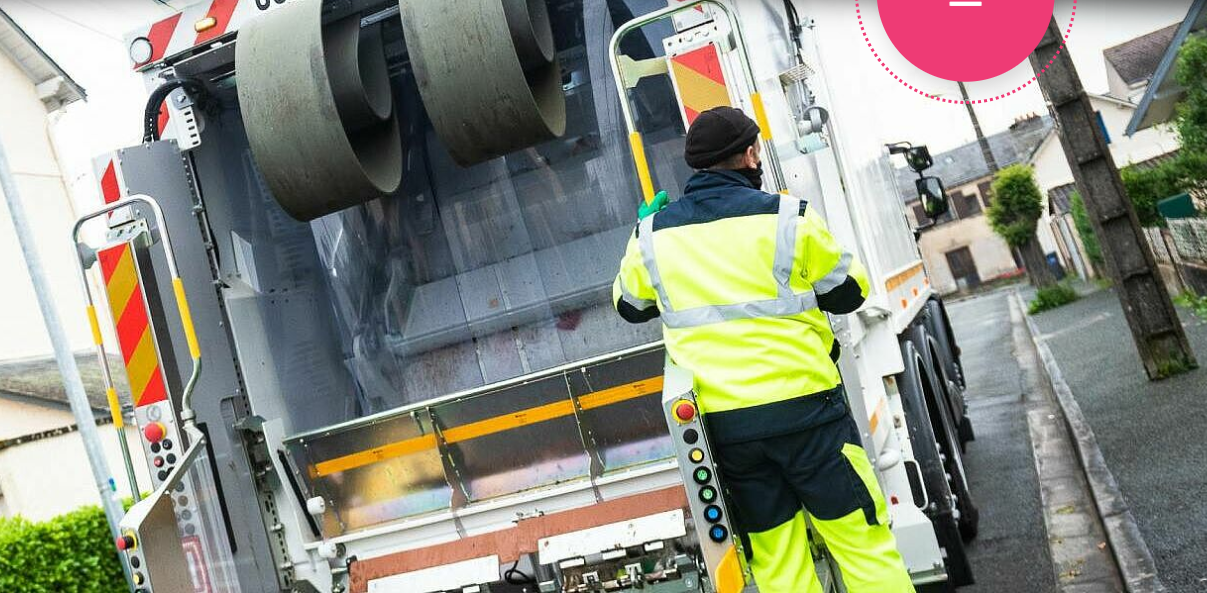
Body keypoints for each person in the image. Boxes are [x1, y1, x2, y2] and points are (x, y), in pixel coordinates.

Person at [612, 106, 915, 592]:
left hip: (730, 430)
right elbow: (849, 291)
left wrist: (639, 235)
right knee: (862, 544)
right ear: (751, 154)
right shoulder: (787, 216)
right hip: (810, 416)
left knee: (779, 564)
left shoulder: (653, 237)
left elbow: (629, 305)